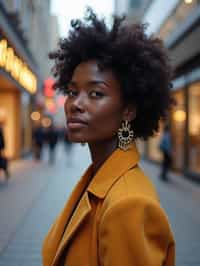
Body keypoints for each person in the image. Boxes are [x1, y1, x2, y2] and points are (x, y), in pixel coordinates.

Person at [42, 9, 175, 266]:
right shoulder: (99, 178)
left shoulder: (129, 204)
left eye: (95, 94)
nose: (75, 104)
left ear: (129, 109)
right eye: (72, 91)